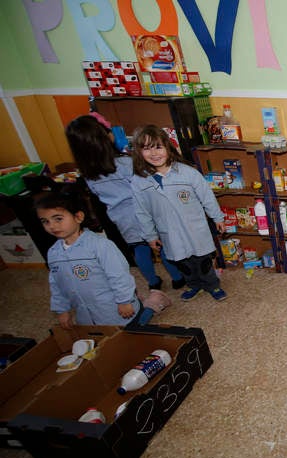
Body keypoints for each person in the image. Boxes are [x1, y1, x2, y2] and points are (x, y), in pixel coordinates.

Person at [65, 113, 186, 291]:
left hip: (120, 218)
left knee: (139, 249)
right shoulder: (124, 164)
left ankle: (153, 282)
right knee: (161, 245)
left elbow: (99, 195)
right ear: (104, 139)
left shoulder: (88, 174)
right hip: (144, 212)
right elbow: (146, 184)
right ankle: (177, 278)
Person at [130, 124, 228, 302]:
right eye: (147, 149)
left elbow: (207, 197)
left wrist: (217, 217)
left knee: (203, 260)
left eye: (158, 147)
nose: (154, 153)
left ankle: (212, 285)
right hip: (169, 232)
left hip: (195, 228)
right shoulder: (139, 181)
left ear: (168, 147)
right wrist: (150, 235)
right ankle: (194, 285)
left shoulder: (187, 173)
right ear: (138, 152)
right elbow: (141, 211)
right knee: (183, 263)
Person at [35, 186, 143, 327]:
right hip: (87, 318)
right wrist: (62, 310)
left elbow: (119, 275)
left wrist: (124, 301)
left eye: (58, 219)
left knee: (132, 337)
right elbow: (56, 284)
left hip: (116, 312)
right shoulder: (53, 253)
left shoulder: (100, 245)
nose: (52, 226)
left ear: (78, 217)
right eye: (45, 221)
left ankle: (153, 303)